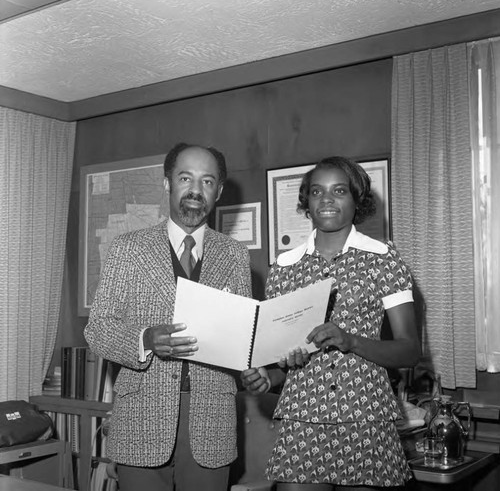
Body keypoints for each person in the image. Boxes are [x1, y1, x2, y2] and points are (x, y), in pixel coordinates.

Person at [241, 156, 421, 491]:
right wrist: (268, 376)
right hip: (302, 418)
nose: (326, 199)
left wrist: (351, 341)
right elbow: (285, 361)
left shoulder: (384, 260)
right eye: (316, 192)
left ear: (357, 200)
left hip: (365, 416)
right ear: (306, 203)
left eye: (339, 190)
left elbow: (410, 349)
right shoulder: (285, 268)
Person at [84, 143, 252, 491]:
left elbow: (244, 335)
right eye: (185, 178)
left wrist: (256, 363)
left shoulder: (234, 254)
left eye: (207, 182)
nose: (195, 190)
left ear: (218, 191)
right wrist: (145, 339)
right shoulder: (128, 248)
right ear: (167, 184)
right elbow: (98, 328)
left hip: (212, 422)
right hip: (141, 419)